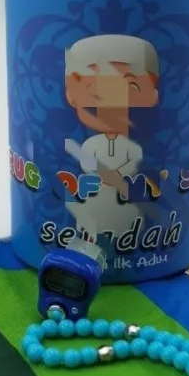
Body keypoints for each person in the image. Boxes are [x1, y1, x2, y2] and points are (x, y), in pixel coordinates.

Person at [63, 34, 160, 242]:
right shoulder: (91, 144)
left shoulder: (131, 147)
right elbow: (87, 161)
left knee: (127, 217)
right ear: (72, 97)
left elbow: (134, 161)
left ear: (152, 96)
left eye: (130, 86)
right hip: (97, 196)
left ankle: (126, 234)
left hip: (125, 198)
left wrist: (116, 174)